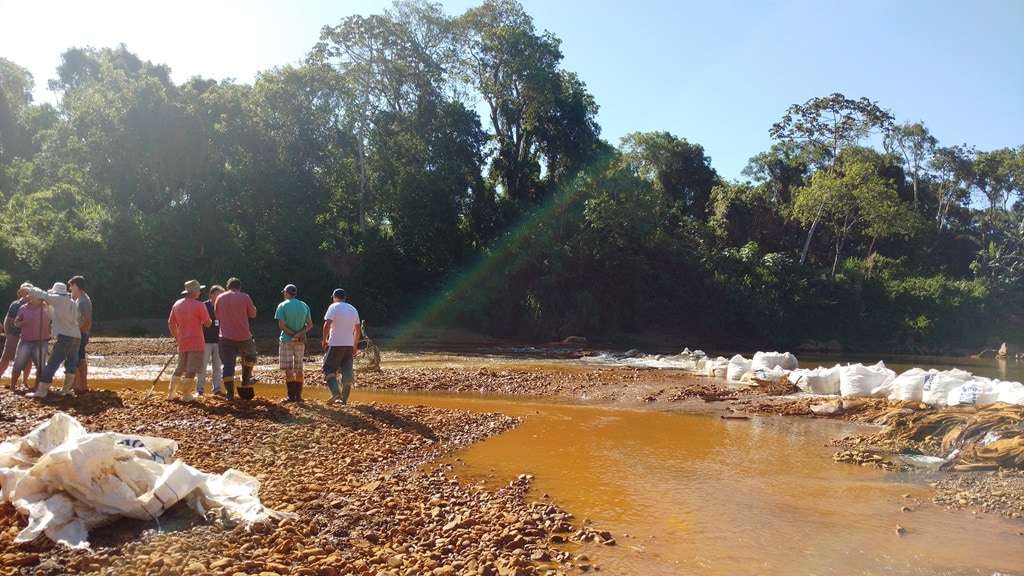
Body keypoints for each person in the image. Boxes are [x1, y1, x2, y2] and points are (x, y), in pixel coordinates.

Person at [25, 282, 81, 398]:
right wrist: (47, 307)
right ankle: (66, 390)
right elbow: (55, 316)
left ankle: (41, 391)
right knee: (71, 363)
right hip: (76, 336)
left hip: (66, 337)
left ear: (56, 292)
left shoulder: (58, 299)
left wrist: (29, 288)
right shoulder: (70, 301)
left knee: (52, 363)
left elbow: (41, 294)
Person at [167, 280, 212, 401]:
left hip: (183, 341)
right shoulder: (199, 305)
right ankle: (186, 395)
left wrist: (177, 337)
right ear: (194, 292)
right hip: (196, 341)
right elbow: (208, 324)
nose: (200, 292)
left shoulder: (177, 304)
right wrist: (210, 320)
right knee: (192, 369)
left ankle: (172, 393)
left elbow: (171, 323)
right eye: (198, 290)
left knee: (180, 367)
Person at [215, 277, 258, 400]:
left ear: (228, 286)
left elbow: (217, 316)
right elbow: (253, 314)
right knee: (250, 356)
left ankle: (230, 394)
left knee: (228, 365)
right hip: (244, 336)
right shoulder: (245, 297)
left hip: (225, 336)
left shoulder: (220, 297)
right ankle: (245, 381)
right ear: (239, 287)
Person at [321, 288, 361, 405]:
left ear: (334, 297)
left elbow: (327, 325)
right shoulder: (353, 309)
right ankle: (343, 400)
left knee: (328, 369)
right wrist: (355, 344)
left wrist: (324, 340)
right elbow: (358, 329)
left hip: (335, 343)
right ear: (345, 298)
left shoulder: (333, 307)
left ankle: (335, 393)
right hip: (349, 344)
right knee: (347, 372)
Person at [275, 284, 312, 402]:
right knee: (299, 368)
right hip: (300, 341)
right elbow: (310, 325)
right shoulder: (304, 305)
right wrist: (299, 334)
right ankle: (299, 396)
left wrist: (292, 335)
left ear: (286, 293)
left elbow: (281, 325)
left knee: (289, 369)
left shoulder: (282, 305)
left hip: (286, 340)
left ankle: (291, 397)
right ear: (295, 293)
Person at [10, 290, 48, 391]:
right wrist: (22, 323)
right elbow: (16, 323)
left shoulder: (45, 308)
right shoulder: (23, 308)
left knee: (40, 366)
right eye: (32, 297)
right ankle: (12, 386)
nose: (31, 298)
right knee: (18, 363)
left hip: (41, 341)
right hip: (25, 341)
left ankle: (37, 387)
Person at [1, 283, 33, 385]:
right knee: (6, 358)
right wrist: (8, 334)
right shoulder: (15, 304)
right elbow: (8, 320)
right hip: (15, 336)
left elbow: (7, 321)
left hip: (26, 337)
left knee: (27, 360)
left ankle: (24, 381)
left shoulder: (32, 305)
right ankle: (23, 382)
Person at [197, 285, 224, 396]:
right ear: (211, 295)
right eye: (219, 294)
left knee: (217, 366)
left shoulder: (223, 306)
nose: (221, 296)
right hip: (205, 341)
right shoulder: (203, 305)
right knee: (202, 366)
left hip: (219, 341)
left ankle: (217, 388)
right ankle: (199, 389)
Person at [68, 276, 92, 392]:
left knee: (76, 359)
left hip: (81, 334)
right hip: (81, 333)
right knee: (81, 358)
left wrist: (79, 332)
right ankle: (82, 385)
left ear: (76, 286)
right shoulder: (80, 299)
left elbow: (88, 320)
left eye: (71, 285)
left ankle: (78, 385)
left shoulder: (83, 301)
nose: (70, 288)